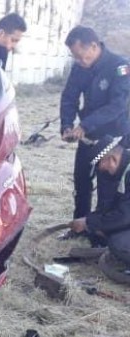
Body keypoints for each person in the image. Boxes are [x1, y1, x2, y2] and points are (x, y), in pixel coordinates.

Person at [60, 25, 130, 228]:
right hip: (88, 135)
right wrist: (67, 124)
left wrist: (85, 124)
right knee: (81, 180)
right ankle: (79, 225)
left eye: (82, 57)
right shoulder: (80, 67)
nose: (80, 62)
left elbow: (117, 105)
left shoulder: (119, 67)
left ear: (94, 46)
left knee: (107, 184)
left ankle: (100, 230)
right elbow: (69, 96)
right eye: (75, 57)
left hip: (115, 135)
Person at [70, 135, 130, 265]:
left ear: (112, 159)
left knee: (118, 243)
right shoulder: (123, 170)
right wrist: (95, 223)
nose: (102, 171)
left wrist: (88, 222)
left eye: (101, 165)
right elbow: (112, 207)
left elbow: (125, 216)